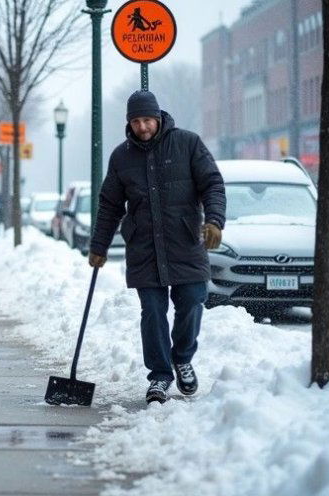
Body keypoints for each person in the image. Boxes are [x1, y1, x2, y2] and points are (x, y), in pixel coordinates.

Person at [87, 90, 226, 404]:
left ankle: (183, 357)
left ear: (159, 117)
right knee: (152, 312)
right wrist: (99, 246)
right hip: (144, 248)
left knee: (192, 300)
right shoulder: (121, 156)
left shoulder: (188, 144)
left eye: (147, 120)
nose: (143, 127)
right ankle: (160, 376)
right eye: (136, 121)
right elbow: (109, 205)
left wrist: (214, 220)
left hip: (185, 242)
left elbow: (212, 184)